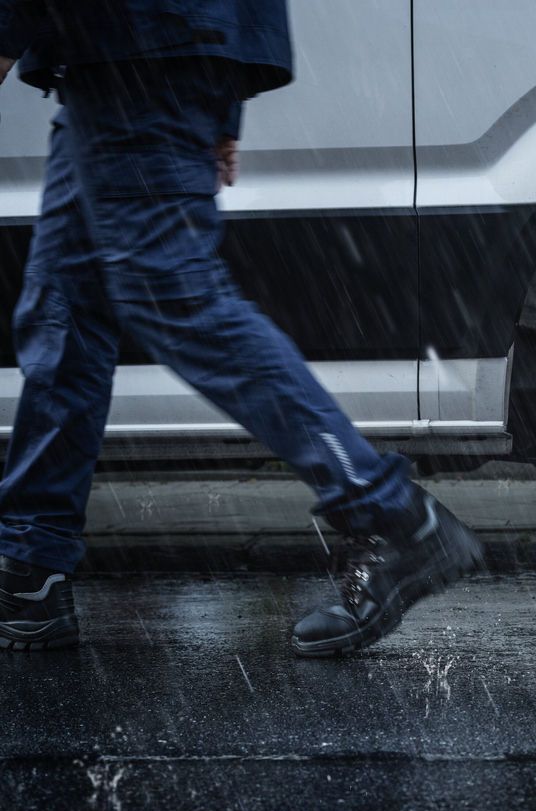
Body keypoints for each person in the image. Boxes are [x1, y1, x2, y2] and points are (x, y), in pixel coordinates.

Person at [0, 0, 482, 655]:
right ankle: (30, 570)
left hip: (136, 51)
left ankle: (394, 516)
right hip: (125, 54)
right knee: (65, 305)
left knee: (178, 301)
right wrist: (223, 103)